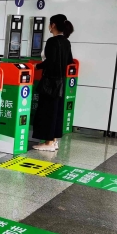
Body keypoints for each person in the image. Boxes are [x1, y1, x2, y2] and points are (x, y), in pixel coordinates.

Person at [32, 14, 74, 151]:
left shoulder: (52, 41)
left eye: (50, 24)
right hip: (61, 82)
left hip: (49, 82)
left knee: (47, 111)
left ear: (53, 25)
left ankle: (48, 143)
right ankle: (54, 141)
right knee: (56, 111)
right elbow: (69, 61)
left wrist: (37, 66)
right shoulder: (66, 42)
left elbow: (50, 61)